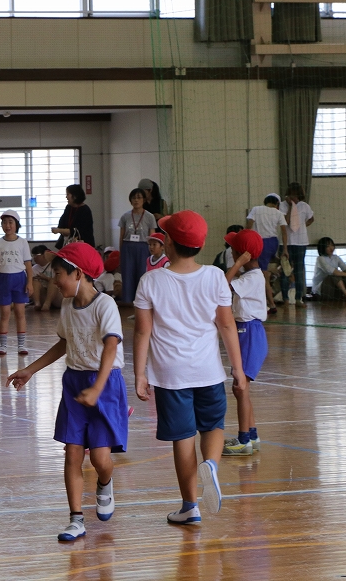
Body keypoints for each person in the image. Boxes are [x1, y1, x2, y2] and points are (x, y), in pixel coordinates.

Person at [7, 243, 128, 542]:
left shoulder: (105, 305)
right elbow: (65, 343)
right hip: (74, 384)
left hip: (104, 384)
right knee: (72, 453)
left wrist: (97, 389)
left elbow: (111, 346)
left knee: (100, 459)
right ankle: (76, 519)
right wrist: (30, 370)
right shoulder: (67, 305)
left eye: (59, 274)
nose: (54, 280)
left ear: (78, 273)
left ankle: (105, 481)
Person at [133, 210, 248, 524]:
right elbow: (226, 326)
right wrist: (238, 369)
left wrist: (139, 373)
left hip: (171, 376)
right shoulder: (214, 276)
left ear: (168, 242)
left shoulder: (151, 281)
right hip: (208, 371)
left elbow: (143, 330)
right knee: (213, 427)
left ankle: (189, 506)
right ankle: (210, 464)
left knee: (183, 438)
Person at [221, 229, 268, 457]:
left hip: (249, 332)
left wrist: (237, 263)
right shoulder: (252, 277)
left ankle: (243, 440)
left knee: (240, 387)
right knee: (243, 389)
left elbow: (222, 285)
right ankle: (251, 435)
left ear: (242, 253)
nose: (230, 251)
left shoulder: (250, 278)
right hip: (246, 332)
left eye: (233, 249)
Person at [0, 210, 33, 357]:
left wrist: (30, 282)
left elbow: (28, 265)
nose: (7, 225)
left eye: (10, 222)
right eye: (4, 222)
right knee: (5, 314)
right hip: (3, 280)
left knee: (20, 313)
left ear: (16, 224)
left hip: (19, 280)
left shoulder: (22, 242)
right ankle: (3, 345)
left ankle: (21, 345)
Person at [245, 194, 288, 313]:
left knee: (261, 275)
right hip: (273, 243)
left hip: (260, 242)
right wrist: (285, 249)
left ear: (265, 202)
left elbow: (248, 226)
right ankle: (266, 299)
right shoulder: (278, 213)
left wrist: (245, 241)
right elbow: (284, 232)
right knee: (264, 272)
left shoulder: (256, 209)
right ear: (277, 204)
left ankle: (271, 304)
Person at [279, 183, 315, 305]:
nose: (295, 198)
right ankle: (285, 298)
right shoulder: (283, 206)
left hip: (301, 242)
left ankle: (299, 298)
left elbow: (311, 218)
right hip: (286, 243)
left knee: (299, 270)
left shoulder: (304, 206)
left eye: (296, 196)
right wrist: (290, 206)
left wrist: (304, 226)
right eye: (292, 195)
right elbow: (286, 221)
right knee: (285, 271)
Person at [118, 189, 156, 303]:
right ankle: (128, 301)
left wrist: (152, 251)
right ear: (130, 201)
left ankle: (142, 301)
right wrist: (121, 252)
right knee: (127, 274)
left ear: (144, 200)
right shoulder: (125, 216)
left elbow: (152, 236)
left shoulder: (149, 217)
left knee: (142, 274)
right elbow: (121, 235)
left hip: (143, 247)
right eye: (133, 198)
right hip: (128, 247)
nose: (136, 200)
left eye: (139, 197)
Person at [53, 184, 94, 249]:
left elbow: (80, 231)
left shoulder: (85, 210)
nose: (66, 197)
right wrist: (61, 230)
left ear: (75, 196)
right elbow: (61, 224)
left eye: (68, 194)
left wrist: (59, 230)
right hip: (68, 244)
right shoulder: (68, 208)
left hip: (83, 246)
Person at [31, 245, 62, 311]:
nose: (34, 258)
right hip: (43, 295)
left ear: (44, 255)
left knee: (53, 281)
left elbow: (60, 281)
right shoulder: (33, 269)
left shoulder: (55, 265)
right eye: (33, 255)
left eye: (36, 255)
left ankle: (47, 304)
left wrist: (45, 278)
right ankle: (37, 303)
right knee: (35, 281)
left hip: (57, 296)